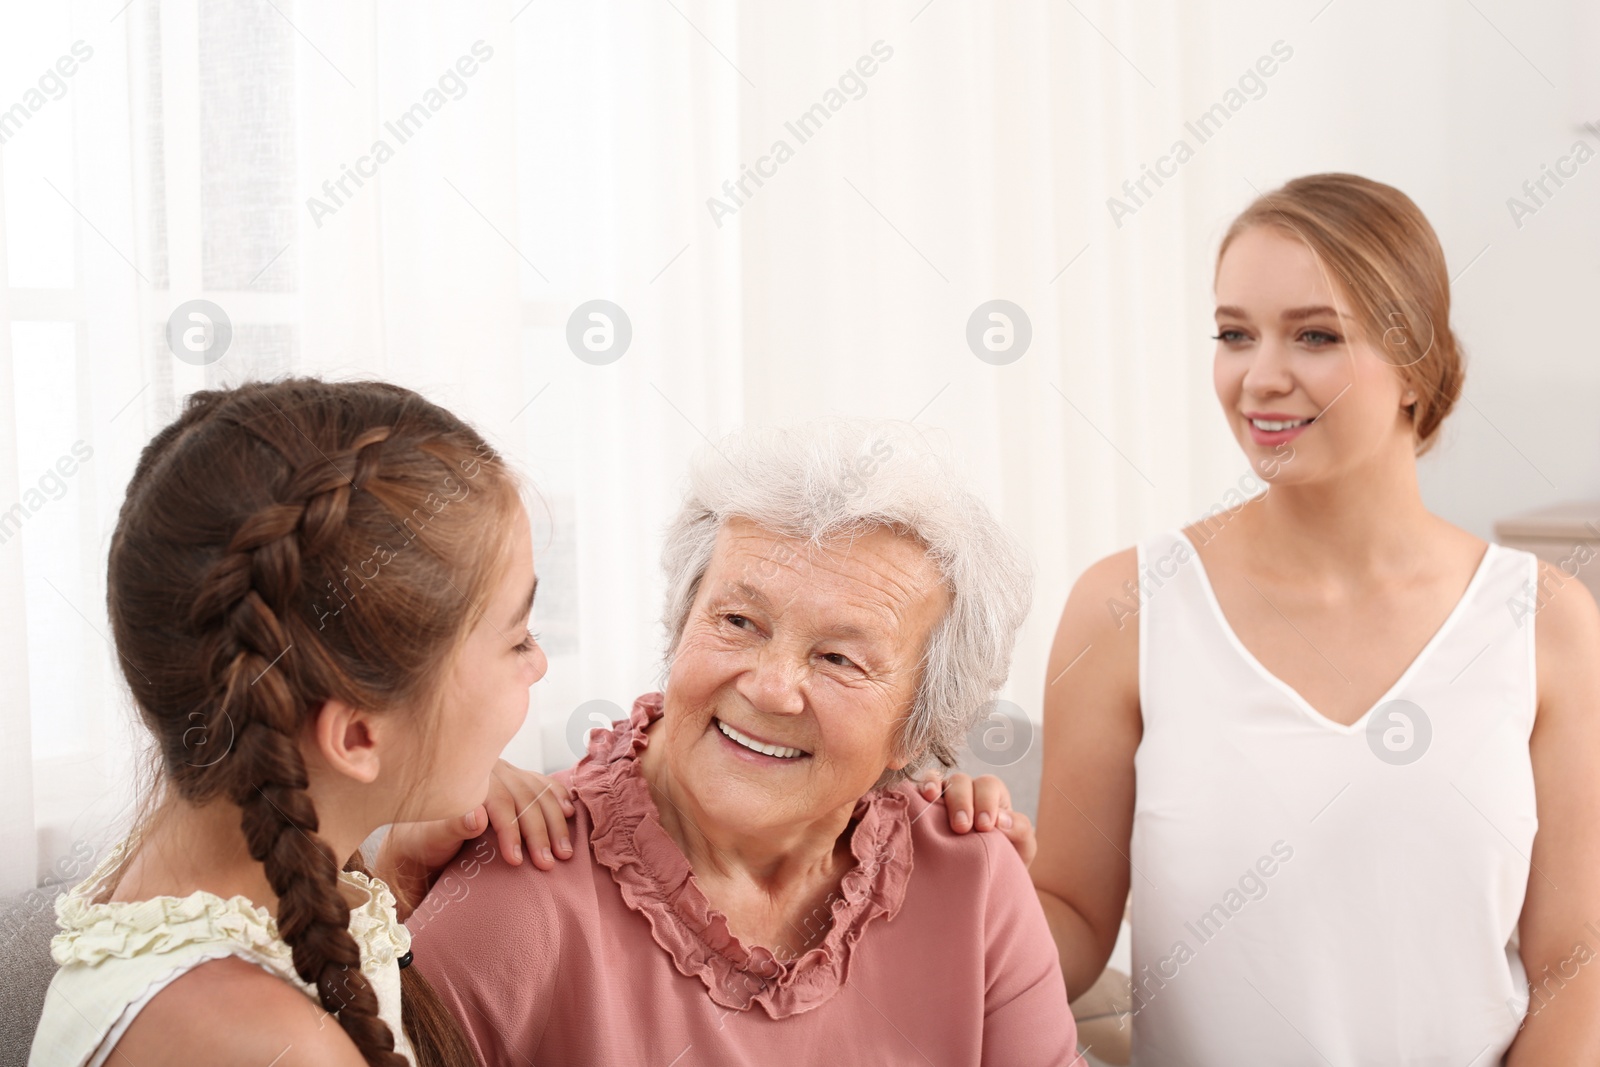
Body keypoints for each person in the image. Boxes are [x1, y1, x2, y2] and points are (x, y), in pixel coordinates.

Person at [1032, 173, 1600, 1063]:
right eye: (1233, 335)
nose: (1260, 377)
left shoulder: (1547, 622)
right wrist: (940, 871)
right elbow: (1066, 916)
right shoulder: (1124, 610)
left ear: (1416, 367)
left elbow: (1578, 962)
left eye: (1315, 336)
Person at [408, 420, 1080, 1065]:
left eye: (839, 658)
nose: (770, 687)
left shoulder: (973, 878)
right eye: (739, 619)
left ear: (916, 727)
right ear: (682, 624)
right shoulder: (523, 885)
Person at [29, 379, 555, 1067]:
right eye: (517, 639)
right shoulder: (269, 1045)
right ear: (359, 736)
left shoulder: (186, 879)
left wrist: (396, 854)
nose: (539, 662)